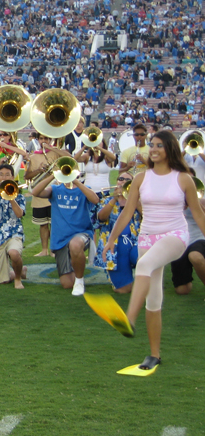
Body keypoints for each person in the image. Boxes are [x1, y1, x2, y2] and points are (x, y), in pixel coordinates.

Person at [100, 130, 205, 370]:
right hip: (147, 237)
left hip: (175, 236)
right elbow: (127, 213)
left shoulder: (183, 178)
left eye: (159, 145)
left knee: (144, 266)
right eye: (152, 145)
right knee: (154, 299)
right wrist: (111, 240)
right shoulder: (140, 178)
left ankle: (129, 319)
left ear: (170, 149)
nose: (154, 149)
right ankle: (154, 354)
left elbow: (198, 214)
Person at [31, 160, 100, 296]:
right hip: (61, 239)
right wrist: (53, 175)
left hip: (81, 233)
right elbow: (36, 192)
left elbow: (95, 199)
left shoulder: (84, 189)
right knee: (67, 284)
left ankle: (79, 281)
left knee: (75, 245)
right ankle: (76, 273)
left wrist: (77, 182)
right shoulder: (55, 189)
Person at [24, 134, 71, 257]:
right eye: (41, 139)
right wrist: (39, 170)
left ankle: (53, 250)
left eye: (46, 138)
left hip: (55, 192)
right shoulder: (34, 156)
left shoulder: (57, 153)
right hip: (40, 193)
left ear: (51, 139)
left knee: (54, 224)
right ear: (38, 140)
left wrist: (53, 148)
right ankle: (44, 250)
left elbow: (70, 158)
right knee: (42, 224)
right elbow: (27, 176)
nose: (43, 141)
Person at [95, 172, 140, 293]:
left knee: (143, 260)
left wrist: (133, 197)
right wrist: (115, 198)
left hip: (136, 242)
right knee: (123, 290)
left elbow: (147, 215)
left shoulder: (138, 200)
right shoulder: (106, 199)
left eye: (127, 179)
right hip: (114, 247)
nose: (123, 181)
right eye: (121, 179)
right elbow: (101, 218)